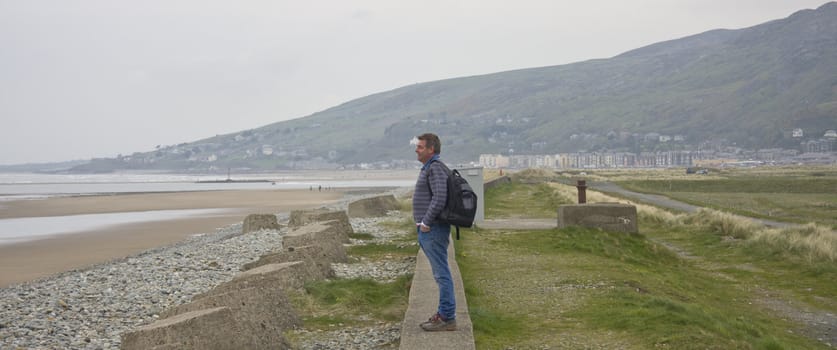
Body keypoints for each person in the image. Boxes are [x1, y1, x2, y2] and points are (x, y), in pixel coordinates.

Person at [412, 133, 457, 332]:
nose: (417, 149)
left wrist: (426, 223)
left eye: (421, 147)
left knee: (441, 274)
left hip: (433, 228)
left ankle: (447, 317)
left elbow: (440, 197)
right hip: (429, 228)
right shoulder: (430, 167)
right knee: (440, 273)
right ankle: (445, 314)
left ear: (431, 149)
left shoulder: (436, 168)